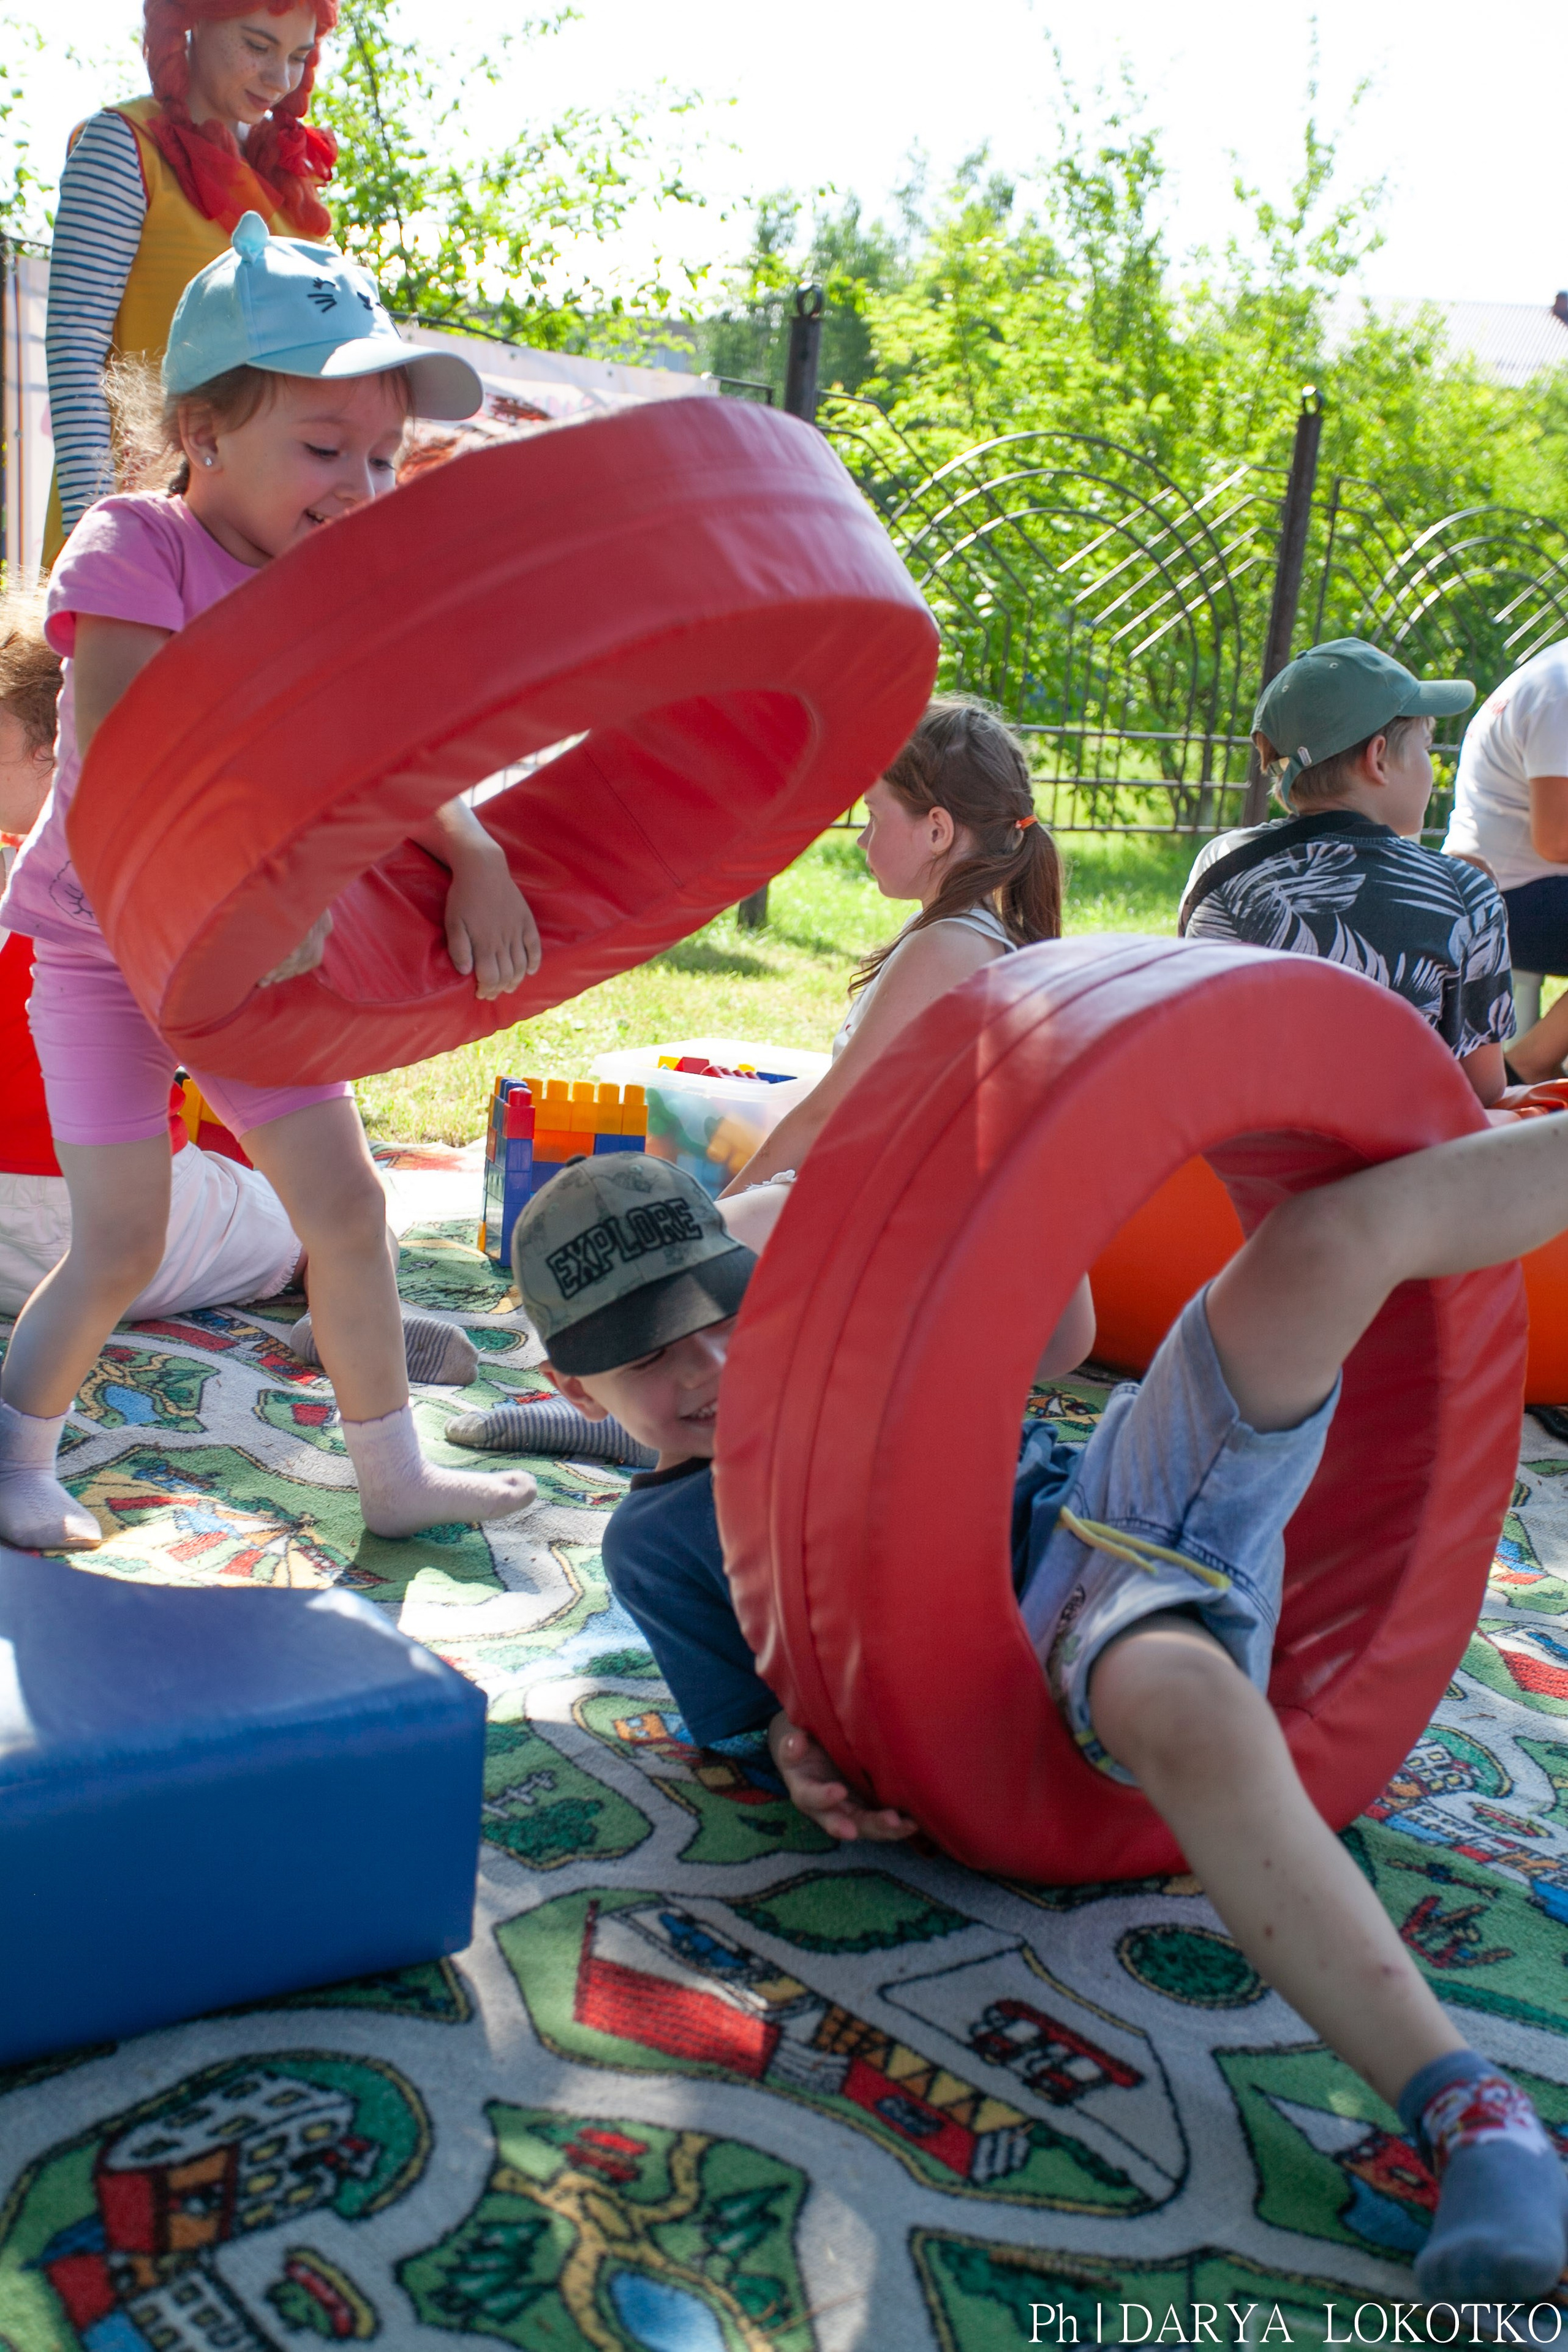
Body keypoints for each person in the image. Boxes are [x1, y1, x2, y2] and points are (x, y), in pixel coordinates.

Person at [514, 1141, 1568, 2301]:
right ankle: (1475, 2114)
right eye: (650, 1355)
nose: (710, 1364)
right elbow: (751, 1724)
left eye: (725, 1314)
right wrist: (792, 1752)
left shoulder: (846, 1357)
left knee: (1319, 1242)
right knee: (1182, 1712)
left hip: (1118, 1499)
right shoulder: (658, 1546)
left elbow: (1061, 1333)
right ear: (576, 1392)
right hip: (1068, 1639)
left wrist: (1015, 1153)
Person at [0, 218, 540, 1554]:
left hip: (245, 958)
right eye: (323, 449)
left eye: (380, 457)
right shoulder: (136, 547)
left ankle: (393, 1475)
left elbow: (389, 758)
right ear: (201, 434)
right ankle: (15, 1458)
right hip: (102, 949)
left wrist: (472, 852)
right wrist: (251, 886)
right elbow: (127, 756)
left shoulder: (340, 590)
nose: (359, 484)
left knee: (349, 1209)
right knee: (121, 1240)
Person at [720, 697, 1063, 1193]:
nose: (863, 840)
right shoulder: (957, 932)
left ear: (937, 831)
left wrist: (715, 1221)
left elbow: (827, 1115)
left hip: (895, 1216)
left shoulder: (948, 946)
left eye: (875, 817)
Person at [45, 0, 339, 565]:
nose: (280, 79)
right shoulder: (123, 145)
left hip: (261, 548)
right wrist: (98, 537)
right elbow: (74, 348)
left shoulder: (288, 181)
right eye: (258, 45)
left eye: (298, 56)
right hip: (142, 538)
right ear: (193, 21)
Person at [1180, 639, 1514, 1106]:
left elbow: (1199, 1042)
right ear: (1378, 758)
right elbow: (1484, 1092)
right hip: (1400, 1148)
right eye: (1425, 747)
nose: (1432, 767)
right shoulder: (1463, 893)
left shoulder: (1224, 867)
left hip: (1245, 1138)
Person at [1444, 636, 1568, 1034]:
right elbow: (1557, 840)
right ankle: (1529, 1061)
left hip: (1508, 887)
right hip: (1503, 898)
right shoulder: (1560, 690)